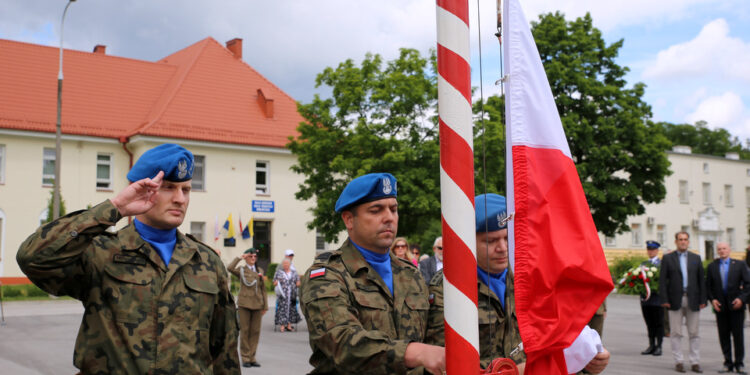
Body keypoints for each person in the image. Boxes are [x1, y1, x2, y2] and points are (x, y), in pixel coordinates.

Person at [16, 143, 240, 374]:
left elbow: (225, 350)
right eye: (168, 187)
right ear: (141, 188)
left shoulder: (206, 262)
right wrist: (116, 207)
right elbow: (33, 258)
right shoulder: (101, 252)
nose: (180, 199)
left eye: (186, 190)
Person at [425, 193, 609, 374]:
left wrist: (588, 360)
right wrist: (513, 371)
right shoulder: (450, 288)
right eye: (491, 241)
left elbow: (559, 342)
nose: (502, 248)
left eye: (507, 238)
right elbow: (443, 361)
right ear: (469, 241)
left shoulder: (534, 281)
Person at [299, 173, 445, 375]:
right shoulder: (328, 275)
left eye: (393, 209)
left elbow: (434, 344)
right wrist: (413, 353)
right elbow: (341, 343)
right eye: (376, 210)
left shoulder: (411, 275)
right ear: (349, 219)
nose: (389, 217)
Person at [660, 231, 707, 373]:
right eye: (680, 239)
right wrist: (665, 299)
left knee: (694, 332)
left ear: (688, 241)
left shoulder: (696, 258)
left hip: (693, 299)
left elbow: (701, 280)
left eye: (685, 239)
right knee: (676, 333)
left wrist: (703, 299)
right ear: (676, 241)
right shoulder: (668, 258)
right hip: (675, 300)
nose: (683, 242)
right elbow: (662, 280)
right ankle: (679, 361)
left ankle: (695, 362)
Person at [706, 242, 750, 374]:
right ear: (717, 251)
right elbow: (708, 286)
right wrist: (712, 300)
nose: (722, 251)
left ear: (729, 249)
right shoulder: (712, 266)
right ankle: (727, 363)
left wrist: (741, 299)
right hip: (721, 307)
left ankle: (739, 364)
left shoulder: (740, 265)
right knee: (723, 336)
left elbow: (748, 285)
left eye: (724, 248)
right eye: (719, 249)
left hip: (736, 306)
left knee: (738, 336)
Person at [228, 248, 268, 368]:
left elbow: (263, 289)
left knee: (255, 332)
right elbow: (229, 268)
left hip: (257, 304)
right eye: (251, 256)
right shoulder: (241, 270)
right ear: (246, 258)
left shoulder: (259, 270)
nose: (253, 259)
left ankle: (252, 357)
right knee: (245, 331)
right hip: (244, 304)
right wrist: (240, 257)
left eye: (255, 257)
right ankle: (245, 357)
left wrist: (265, 306)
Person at [640, 240, 665, 357]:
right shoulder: (643, 264)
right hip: (646, 300)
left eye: (653, 249)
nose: (650, 251)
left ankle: (659, 346)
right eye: (649, 249)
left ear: (657, 251)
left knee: (658, 323)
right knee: (649, 323)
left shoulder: (662, 264)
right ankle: (651, 345)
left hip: (658, 300)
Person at [273, 257, 301, 332]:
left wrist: (298, 284)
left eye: (287, 264)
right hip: (282, 295)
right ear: (282, 264)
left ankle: (289, 325)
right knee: (282, 309)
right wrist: (276, 282)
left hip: (292, 294)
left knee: (291, 309)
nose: (285, 265)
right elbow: (274, 282)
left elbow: (298, 282)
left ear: (290, 264)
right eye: (284, 263)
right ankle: (282, 326)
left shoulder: (294, 273)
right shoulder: (279, 272)